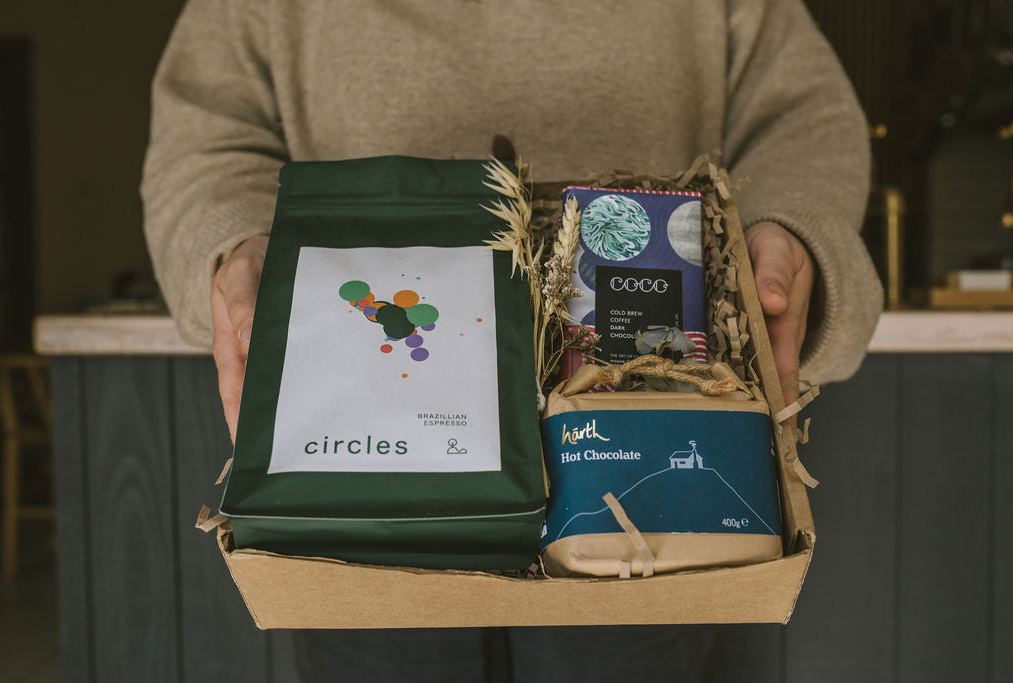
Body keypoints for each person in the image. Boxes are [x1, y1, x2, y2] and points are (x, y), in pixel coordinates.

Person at [141, 0, 882, 679]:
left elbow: (805, 120)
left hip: (646, 518)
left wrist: (787, 234)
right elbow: (204, 138)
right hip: (365, 526)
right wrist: (239, 245)